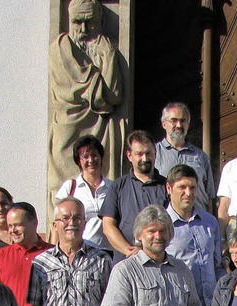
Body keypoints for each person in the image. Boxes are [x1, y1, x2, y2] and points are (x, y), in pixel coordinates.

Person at [47, 0, 124, 204]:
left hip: (102, 126)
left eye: (90, 22)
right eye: (77, 22)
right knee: (61, 195)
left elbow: (114, 96)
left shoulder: (105, 48)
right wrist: (99, 87)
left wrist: (108, 55)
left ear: (99, 21)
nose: (83, 29)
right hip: (67, 127)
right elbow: (79, 94)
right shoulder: (59, 49)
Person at [165, 164, 222, 306]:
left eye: (192, 187)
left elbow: (217, 266)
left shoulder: (210, 222)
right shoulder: (161, 226)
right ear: (169, 188)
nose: (188, 193)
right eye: (182, 187)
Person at [100, 130, 168, 261]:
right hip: (125, 262)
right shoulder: (117, 186)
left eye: (148, 153)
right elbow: (108, 226)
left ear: (155, 153)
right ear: (129, 155)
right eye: (139, 154)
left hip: (158, 262)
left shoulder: (166, 186)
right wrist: (132, 252)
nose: (145, 158)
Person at [53, 135, 113, 250]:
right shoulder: (70, 187)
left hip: (109, 251)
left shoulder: (113, 187)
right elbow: (58, 221)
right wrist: (54, 251)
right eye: (85, 157)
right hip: (80, 251)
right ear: (79, 161)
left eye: (95, 155)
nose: (91, 160)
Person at [155, 102, 215, 212]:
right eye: (174, 120)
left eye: (183, 121)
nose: (178, 125)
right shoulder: (154, 154)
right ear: (164, 124)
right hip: (165, 223)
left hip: (197, 222)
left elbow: (209, 197)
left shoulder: (201, 156)